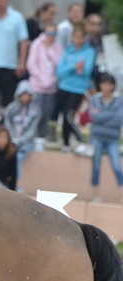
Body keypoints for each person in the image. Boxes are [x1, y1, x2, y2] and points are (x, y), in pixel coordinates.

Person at [56, 25, 95, 155]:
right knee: (64, 116)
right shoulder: (68, 50)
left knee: (69, 114)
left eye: (80, 37)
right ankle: (66, 144)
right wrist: (74, 66)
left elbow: (86, 71)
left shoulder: (89, 51)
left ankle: (82, 140)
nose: (78, 39)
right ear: (72, 37)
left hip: (77, 89)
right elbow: (60, 72)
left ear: (84, 38)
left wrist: (71, 68)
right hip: (63, 87)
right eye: (75, 37)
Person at [88, 73, 123, 203]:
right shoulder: (95, 99)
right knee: (96, 167)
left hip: (112, 138)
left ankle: (121, 195)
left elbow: (119, 119)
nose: (106, 87)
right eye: (103, 84)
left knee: (117, 167)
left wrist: (101, 115)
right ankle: (95, 195)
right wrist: (110, 114)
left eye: (109, 84)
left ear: (113, 85)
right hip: (97, 137)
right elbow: (93, 117)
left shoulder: (119, 100)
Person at [26, 23, 63, 140]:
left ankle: (42, 138)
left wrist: (51, 53)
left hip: (51, 88)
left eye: (54, 34)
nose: (51, 36)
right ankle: (30, 137)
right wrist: (42, 79)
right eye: (49, 33)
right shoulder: (37, 44)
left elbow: (60, 66)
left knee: (47, 115)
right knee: (36, 115)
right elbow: (31, 64)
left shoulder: (58, 47)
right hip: (37, 86)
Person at [3, 80, 40, 190]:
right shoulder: (12, 108)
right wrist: (12, 138)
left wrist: (21, 140)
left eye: (27, 95)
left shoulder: (35, 110)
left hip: (26, 143)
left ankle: (16, 184)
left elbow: (33, 129)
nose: (25, 97)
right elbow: (7, 124)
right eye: (23, 95)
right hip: (11, 140)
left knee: (17, 158)